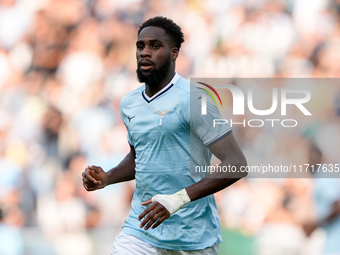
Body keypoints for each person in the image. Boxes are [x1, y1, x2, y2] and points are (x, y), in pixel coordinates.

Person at [82, 16, 247, 255]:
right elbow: (141, 157)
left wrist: (176, 200)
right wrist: (108, 177)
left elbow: (237, 164)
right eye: (141, 46)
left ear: (174, 53)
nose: (145, 52)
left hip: (193, 237)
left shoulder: (194, 99)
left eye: (155, 46)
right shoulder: (129, 103)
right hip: (141, 230)